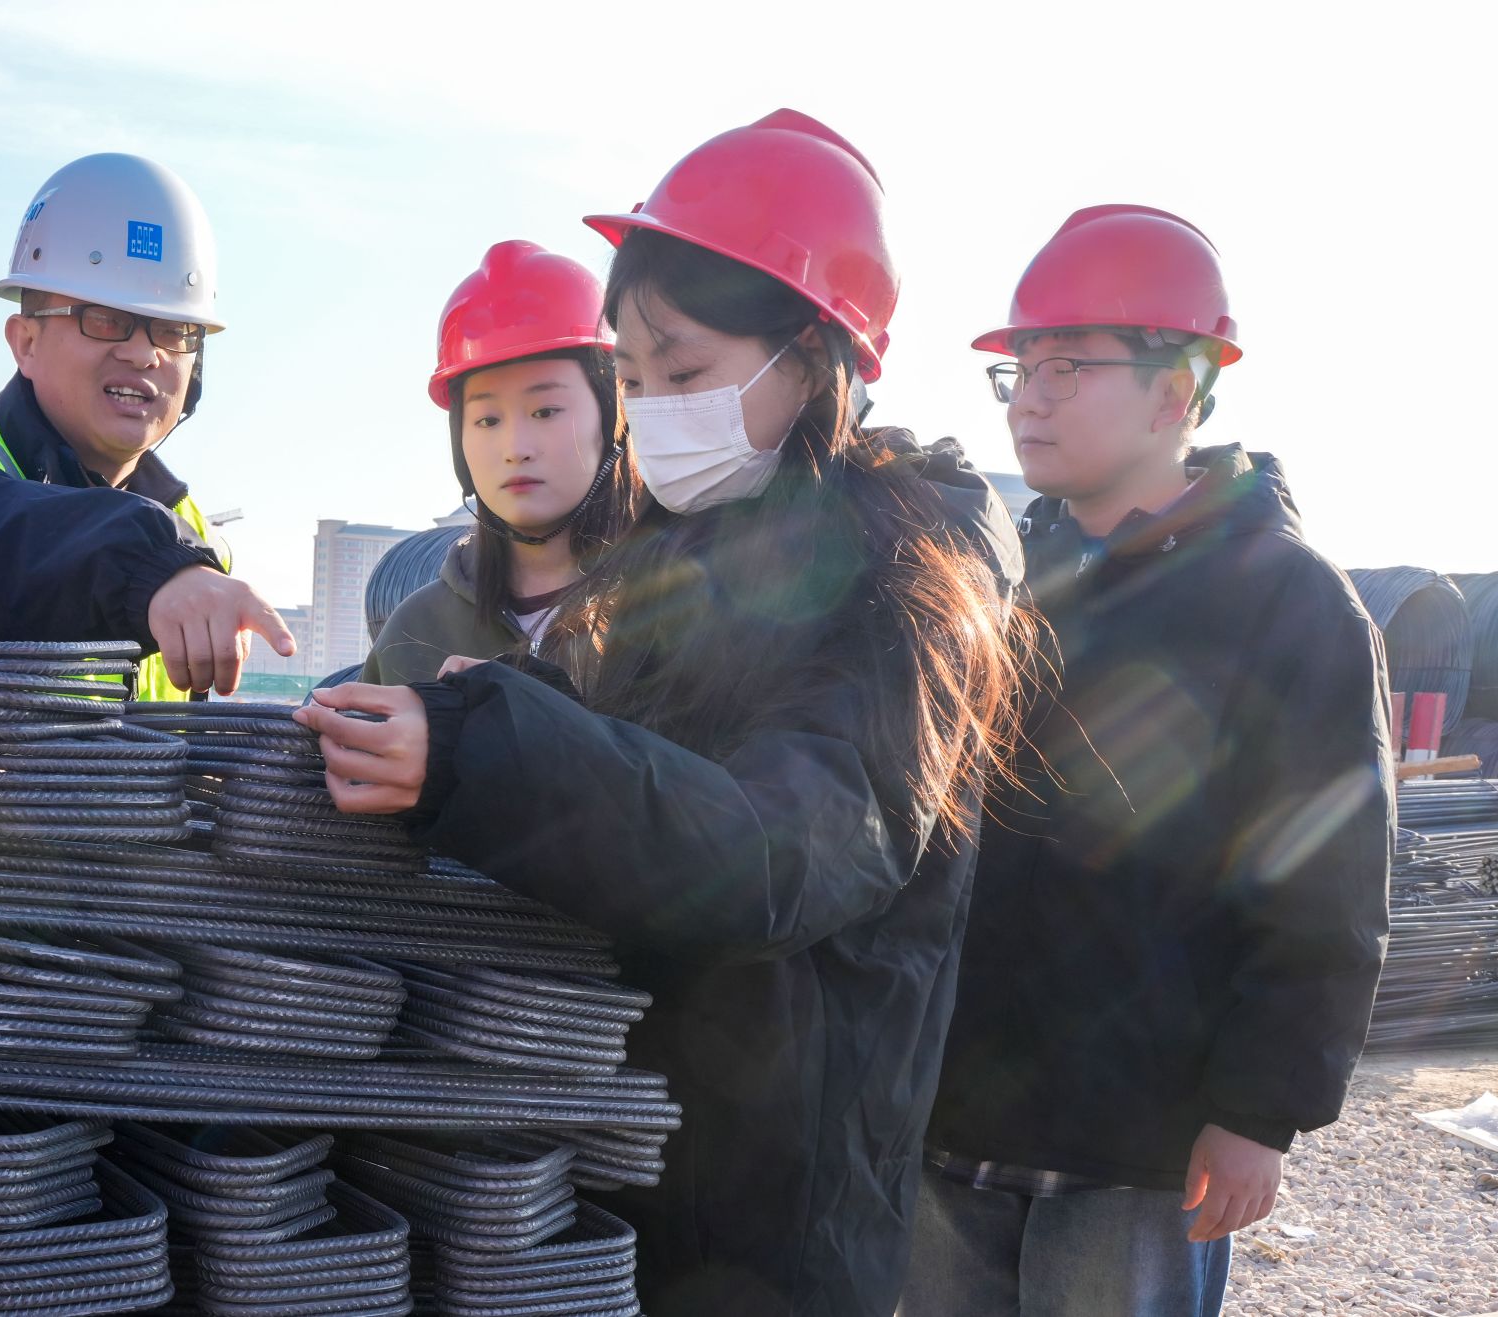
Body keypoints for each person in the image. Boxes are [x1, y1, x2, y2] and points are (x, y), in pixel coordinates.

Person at [294, 109, 1038, 1316]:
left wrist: (485, 749)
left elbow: (777, 853)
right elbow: (641, 781)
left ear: (813, 354)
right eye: (633, 380)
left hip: (776, 1207)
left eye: (683, 373)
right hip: (638, 1154)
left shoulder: (907, 574)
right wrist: (483, 716)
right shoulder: (682, 562)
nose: (652, 411)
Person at [904, 206, 1392, 1317]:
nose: (1028, 398)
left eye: (1067, 367)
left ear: (1174, 394)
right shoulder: (1005, 581)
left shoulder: (1284, 598)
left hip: (1137, 1137)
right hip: (956, 1109)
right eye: (1019, 369)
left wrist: (1258, 1110)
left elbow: (1325, 879)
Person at [0, 152, 294, 698]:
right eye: (106, 320)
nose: (144, 354)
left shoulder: (196, 541)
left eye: (173, 331)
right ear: (25, 342)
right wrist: (152, 568)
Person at [362, 240, 636, 686]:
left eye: (545, 411)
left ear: (612, 419)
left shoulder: (678, 607)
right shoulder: (417, 630)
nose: (515, 448)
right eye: (487, 420)